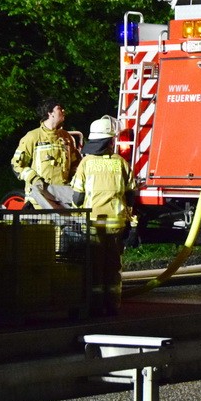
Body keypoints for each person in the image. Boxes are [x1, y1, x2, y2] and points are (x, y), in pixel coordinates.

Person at [71, 115, 136, 315]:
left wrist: (76, 213)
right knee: (113, 265)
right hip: (116, 224)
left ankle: (95, 305)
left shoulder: (86, 164)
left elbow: (78, 197)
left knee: (95, 266)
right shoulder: (121, 163)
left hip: (93, 224)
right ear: (110, 141)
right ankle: (113, 304)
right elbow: (131, 194)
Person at [11, 99, 81, 209]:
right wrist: (34, 179)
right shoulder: (33, 137)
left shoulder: (67, 138)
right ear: (50, 113)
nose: (63, 111)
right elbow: (16, 165)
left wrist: (75, 181)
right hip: (39, 201)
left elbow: (75, 164)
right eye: (59, 108)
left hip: (62, 199)